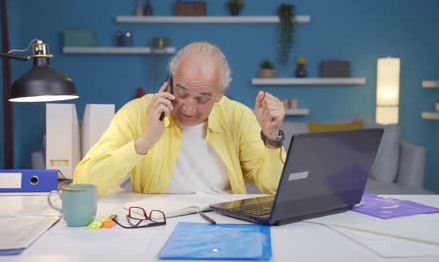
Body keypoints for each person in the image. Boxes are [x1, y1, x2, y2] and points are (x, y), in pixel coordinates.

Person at [73, 41, 286, 197]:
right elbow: (83, 184)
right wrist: (144, 142)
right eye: (181, 93)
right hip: (158, 222)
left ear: (221, 93)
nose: (188, 108)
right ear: (169, 81)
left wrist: (271, 138)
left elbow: (274, 187)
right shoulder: (137, 112)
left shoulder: (238, 116)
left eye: (202, 99)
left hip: (224, 225)